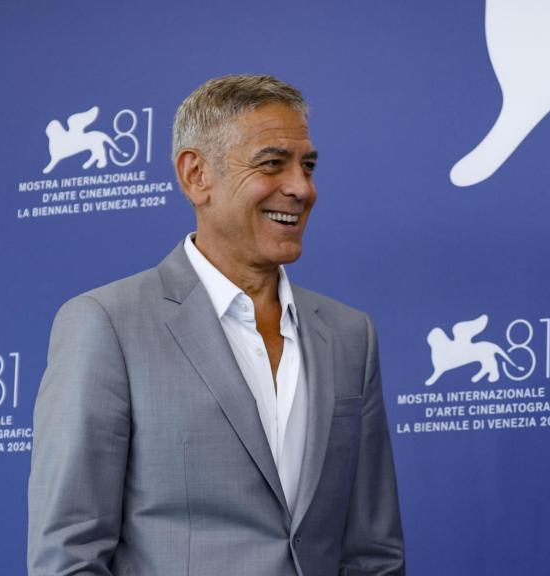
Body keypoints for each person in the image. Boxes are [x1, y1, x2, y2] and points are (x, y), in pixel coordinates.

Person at [28, 75, 405, 576]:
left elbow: (373, 553)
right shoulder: (107, 325)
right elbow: (69, 558)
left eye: (307, 166)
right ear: (196, 174)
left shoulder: (350, 334)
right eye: (273, 163)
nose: (301, 188)